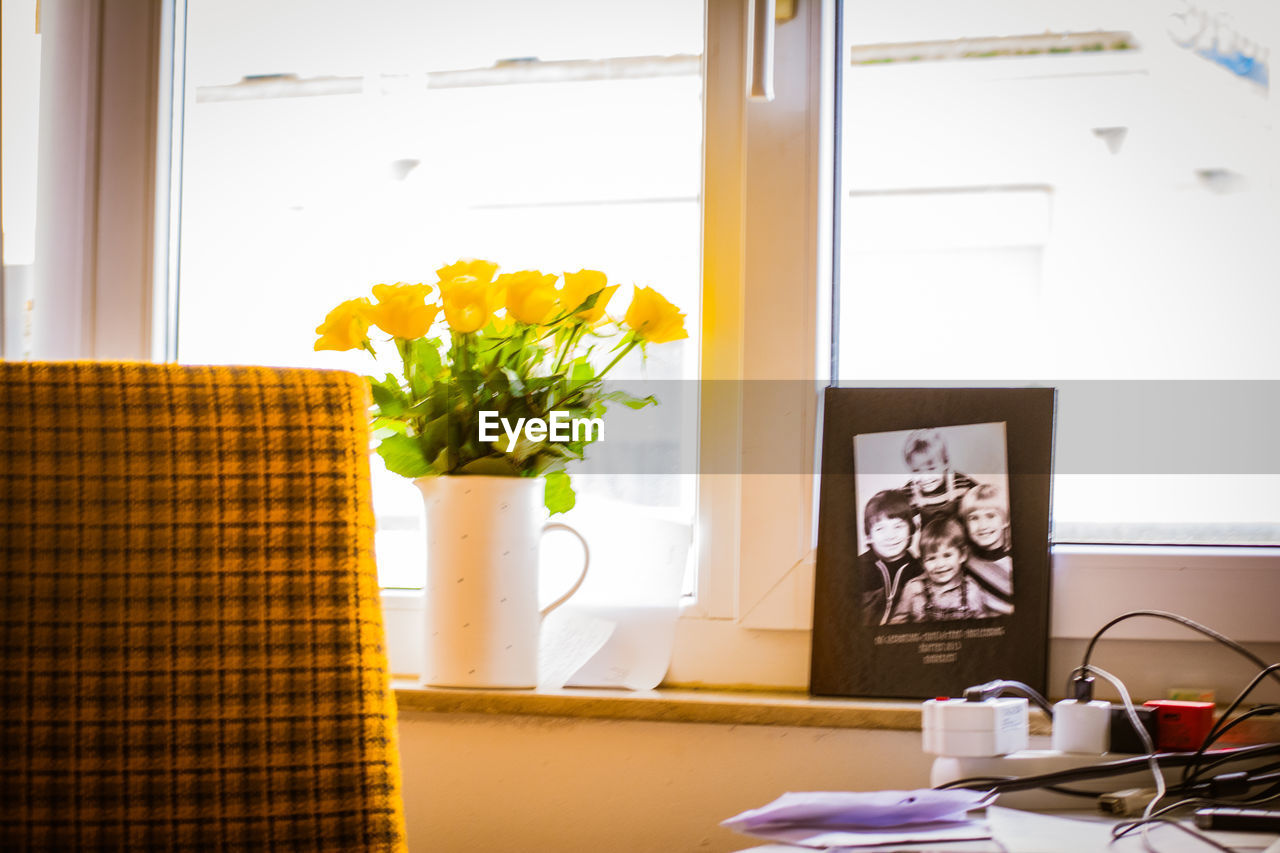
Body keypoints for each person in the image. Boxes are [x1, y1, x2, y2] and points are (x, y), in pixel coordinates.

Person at [889, 515, 998, 624]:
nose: (940, 564)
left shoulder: (971, 590)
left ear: (962, 555)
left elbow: (982, 623)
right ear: (922, 563)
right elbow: (897, 621)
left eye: (947, 555)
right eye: (931, 558)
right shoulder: (913, 588)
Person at [856, 489, 923, 626]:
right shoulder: (857, 568)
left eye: (898, 526)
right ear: (869, 536)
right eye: (880, 529)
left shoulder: (919, 571)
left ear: (911, 530)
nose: (891, 536)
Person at [901, 429, 977, 526]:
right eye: (916, 471)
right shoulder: (908, 493)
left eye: (931, 469)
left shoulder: (962, 483)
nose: (925, 478)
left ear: (946, 463)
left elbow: (983, 501)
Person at [959, 483, 1014, 615]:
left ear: (1005, 521)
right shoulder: (964, 560)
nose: (982, 526)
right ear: (966, 524)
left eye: (990, 516)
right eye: (974, 518)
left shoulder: (1015, 561)